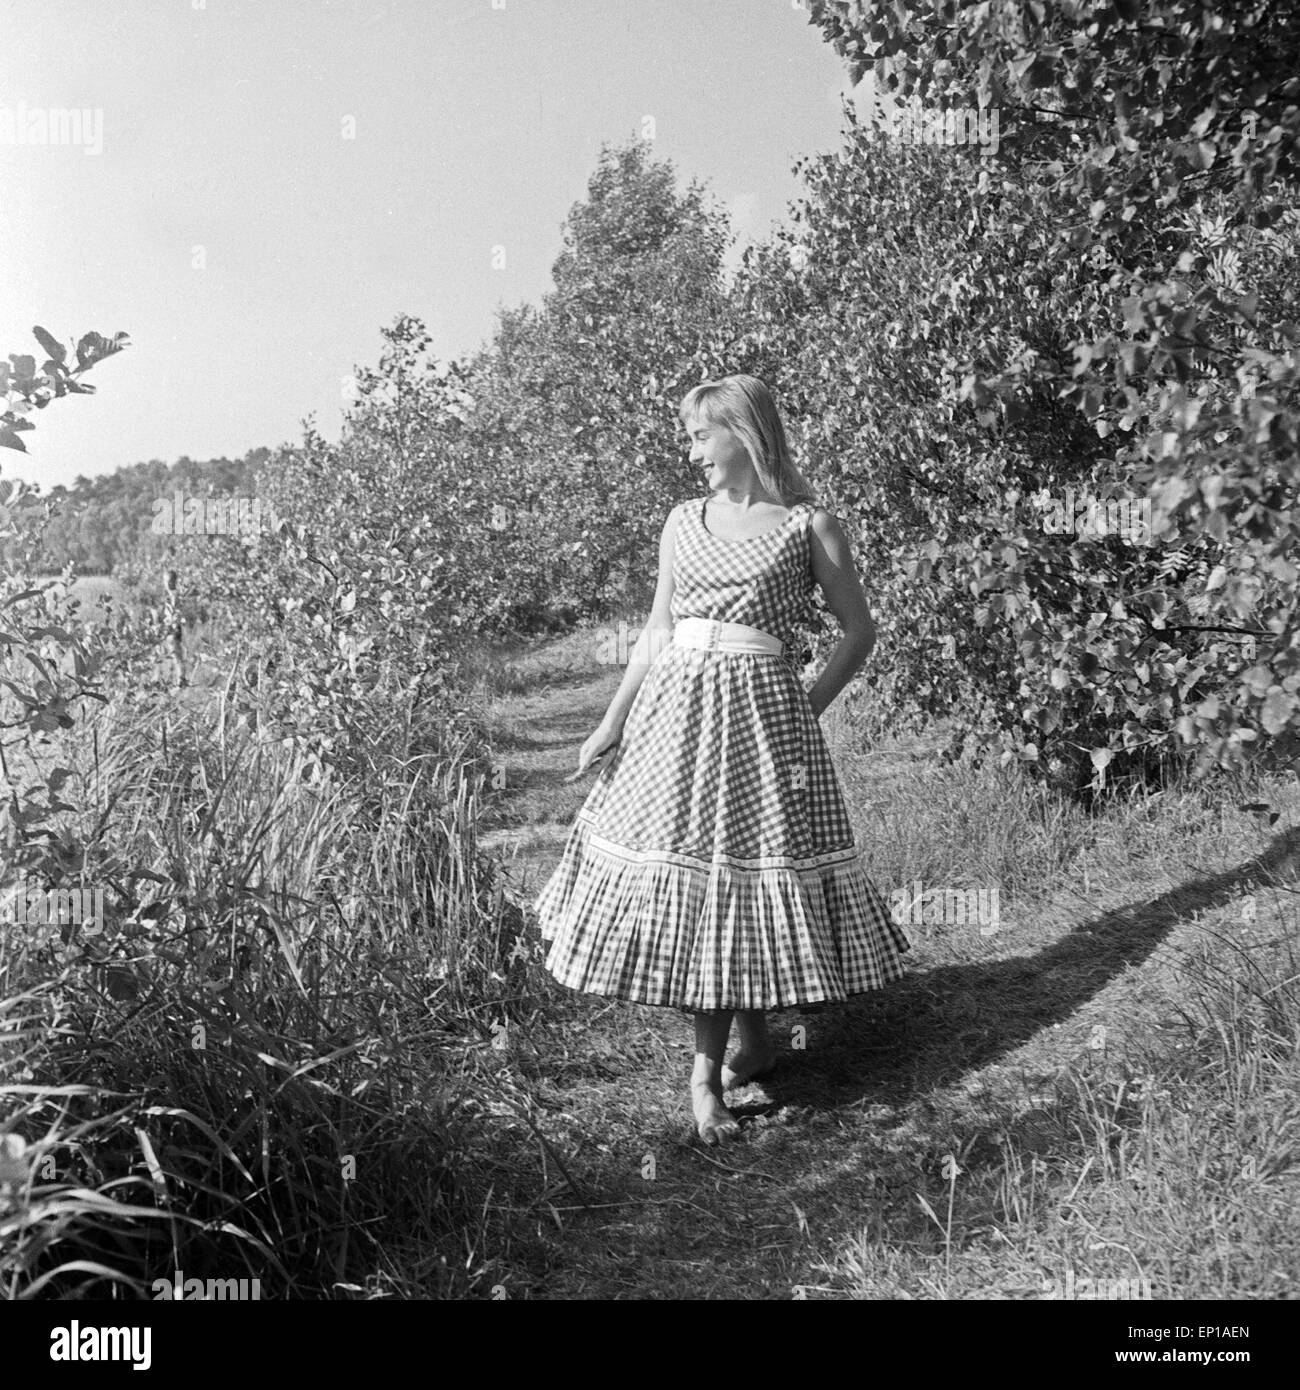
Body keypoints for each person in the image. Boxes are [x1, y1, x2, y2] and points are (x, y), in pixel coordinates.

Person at [532, 373, 910, 1144]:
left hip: (762, 720)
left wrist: (802, 706)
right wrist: (611, 719)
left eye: (703, 434)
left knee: (733, 873)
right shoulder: (683, 520)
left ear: (745, 432)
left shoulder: (809, 525)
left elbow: (857, 634)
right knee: (698, 873)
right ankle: (748, 1049)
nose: (692, 448)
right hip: (677, 715)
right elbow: (657, 631)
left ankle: (716, 1071)